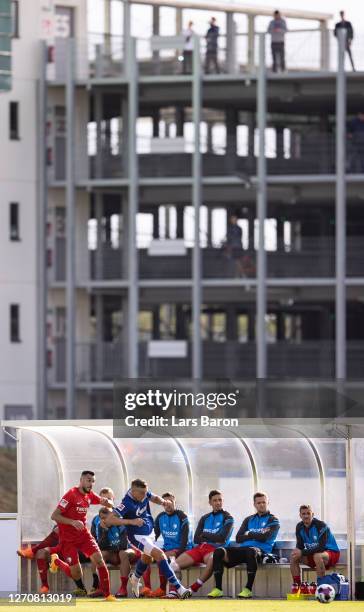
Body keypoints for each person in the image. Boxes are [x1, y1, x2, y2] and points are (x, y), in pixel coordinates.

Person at [105, 478, 192, 599]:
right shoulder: (126, 503)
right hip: (137, 536)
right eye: (142, 493)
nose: (145, 495)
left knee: (147, 558)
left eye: (146, 493)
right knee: (160, 555)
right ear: (133, 491)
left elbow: (154, 497)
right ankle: (180, 588)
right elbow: (110, 519)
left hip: (149, 533)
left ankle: (135, 578)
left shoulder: (144, 493)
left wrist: (163, 502)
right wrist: (131, 521)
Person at [49, 470, 116, 601]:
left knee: (99, 559)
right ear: (81, 480)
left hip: (84, 535)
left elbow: (103, 501)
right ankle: (56, 561)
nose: (91, 483)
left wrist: (109, 502)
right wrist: (72, 522)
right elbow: (54, 516)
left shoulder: (89, 495)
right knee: (76, 572)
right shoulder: (71, 495)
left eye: (92, 481)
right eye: (88, 480)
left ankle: (107, 595)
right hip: (68, 539)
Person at [208, 492, 280, 599]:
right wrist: (257, 535)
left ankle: (248, 589)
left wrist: (249, 533)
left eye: (264, 502)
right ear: (254, 504)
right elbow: (238, 538)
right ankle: (218, 589)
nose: (261, 505)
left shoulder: (273, 520)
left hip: (260, 551)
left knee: (251, 551)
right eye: (259, 502)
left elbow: (264, 538)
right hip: (244, 550)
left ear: (267, 503)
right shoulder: (248, 519)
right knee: (219, 551)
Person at [169, 490, 234, 597]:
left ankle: (192, 589)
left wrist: (204, 534)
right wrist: (211, 537)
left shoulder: (228, 518)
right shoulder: (205, 518)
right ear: (210, 503)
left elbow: (222, 538)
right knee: (173, 565)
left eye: (220, 500)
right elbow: (196, 539)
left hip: (215, 550)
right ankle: (174, 591)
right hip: (200, 549)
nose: (218, 503)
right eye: (215, 500)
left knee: (214, 559)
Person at [145, 492, 190, 597]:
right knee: (146, 556)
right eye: (165, 503)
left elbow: (185, 540)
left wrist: (178, 553)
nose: (168, 504)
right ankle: (151, 588)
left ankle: (167, 590)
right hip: (167, 549)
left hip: (182, 549)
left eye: (170, 502)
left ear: (175, 502)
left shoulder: (182, 516)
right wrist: (146, 547)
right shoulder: (160, 517)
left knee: (163, 557)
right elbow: (154, 535)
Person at [290, 504, 340, 592]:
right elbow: (300, 547)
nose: (306, 516)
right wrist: (298, 552)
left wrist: (302, 552)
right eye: (303, 514)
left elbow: (321, 547)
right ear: (300, 515)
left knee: (317, 556)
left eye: (308, 513)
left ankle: (321, 588)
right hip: (315, 555)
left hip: (331, 553)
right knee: (294, 556)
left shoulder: (320, 525)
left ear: (312, 514)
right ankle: (298, 588)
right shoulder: (299, 527)